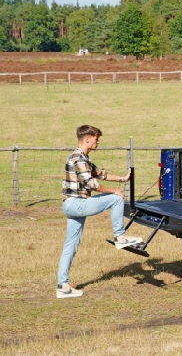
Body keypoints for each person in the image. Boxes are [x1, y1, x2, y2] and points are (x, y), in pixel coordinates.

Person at [56, 125, 142, 298]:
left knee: (71, 245)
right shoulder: (78, 158)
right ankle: (120, 236)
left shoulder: (83, 158)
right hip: (76, 204)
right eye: (96, 138)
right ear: (87, 139)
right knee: (116, 199)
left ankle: (62, 286)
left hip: (72, 206)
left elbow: (99, 173)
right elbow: (92, 184)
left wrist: (122, 178)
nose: (98, 141)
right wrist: (114, 191)